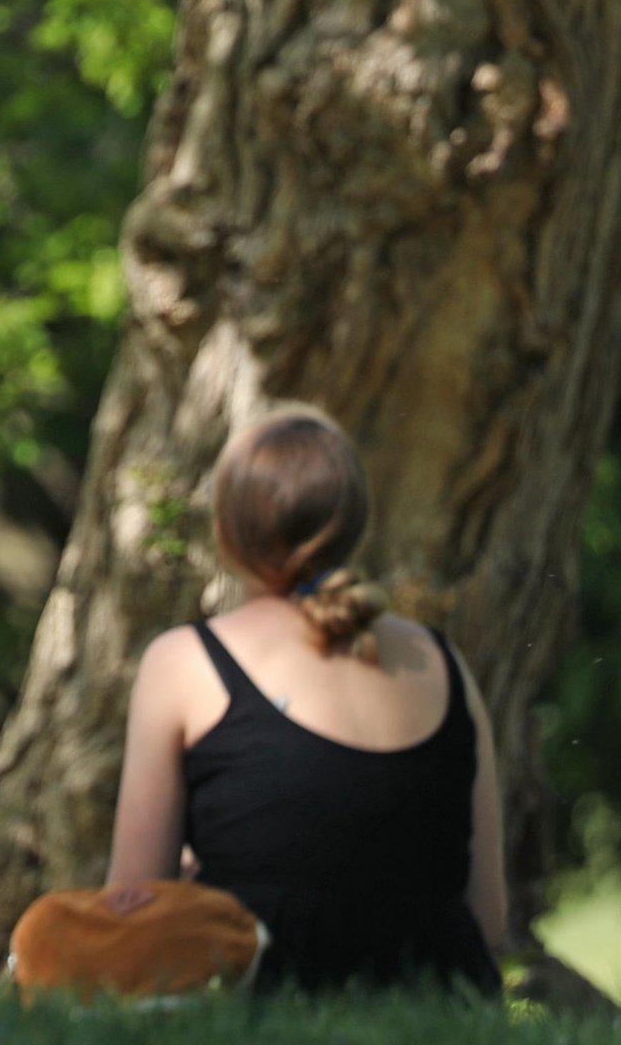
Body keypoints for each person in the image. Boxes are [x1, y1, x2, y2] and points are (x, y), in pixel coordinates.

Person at [102, 407, 508, 994]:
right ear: (356, 527)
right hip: (445, 999)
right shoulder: (444, 664)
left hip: (258, 996)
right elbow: (488, 922)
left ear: (225, 531)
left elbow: (132, 906)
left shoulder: (184, 662)